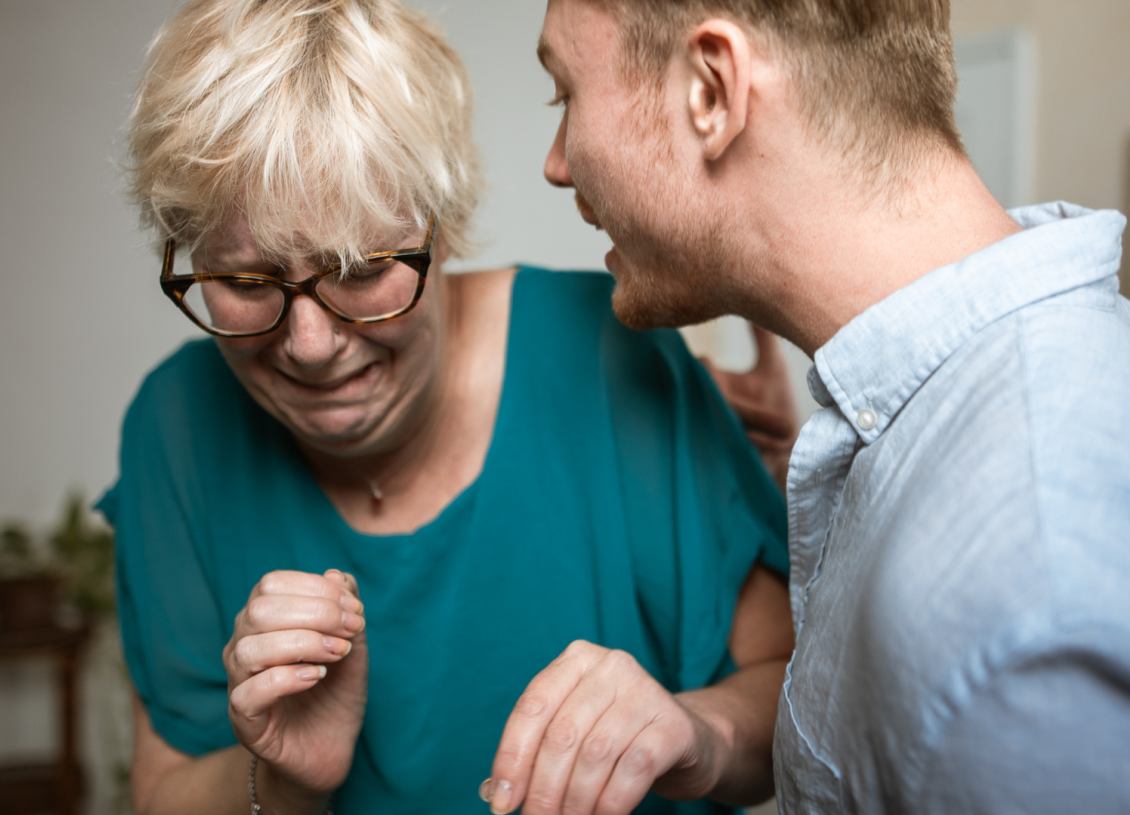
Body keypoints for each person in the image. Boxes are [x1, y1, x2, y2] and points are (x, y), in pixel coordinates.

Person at [98, 1, 800, 813]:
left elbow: (788, 693)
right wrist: (283, 782)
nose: (311, 344)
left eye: (361, 270)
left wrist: (697, 732)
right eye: (246, 282)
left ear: (443, 222)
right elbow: (164, 792)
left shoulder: (613, 352)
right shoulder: (177, 426)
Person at [493, 0, 1130, 812]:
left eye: (567, 94)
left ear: (711, 90)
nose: (556, 163)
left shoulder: (1026, 606)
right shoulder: (957, 430)